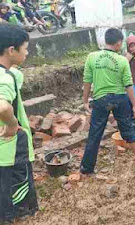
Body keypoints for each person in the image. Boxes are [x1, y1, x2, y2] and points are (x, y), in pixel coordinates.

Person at [80, 28, 135, 174]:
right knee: (127, 128)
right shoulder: (122, 60)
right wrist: (134, 106)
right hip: (120, 98)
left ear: (105, 40)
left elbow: (87, 81)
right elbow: (128, 84)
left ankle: (87, 169)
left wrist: (84, 101)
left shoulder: (92, 56)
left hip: (101, 99)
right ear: (119, 43)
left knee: (95, 133)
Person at [0, 23, 38, 223]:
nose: (27, 52)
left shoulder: (12, 74)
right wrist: (12, 124)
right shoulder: (5, 78)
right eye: (25, 48)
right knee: (17, 201)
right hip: (11, 151)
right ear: (11, 50)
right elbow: (3, 107)